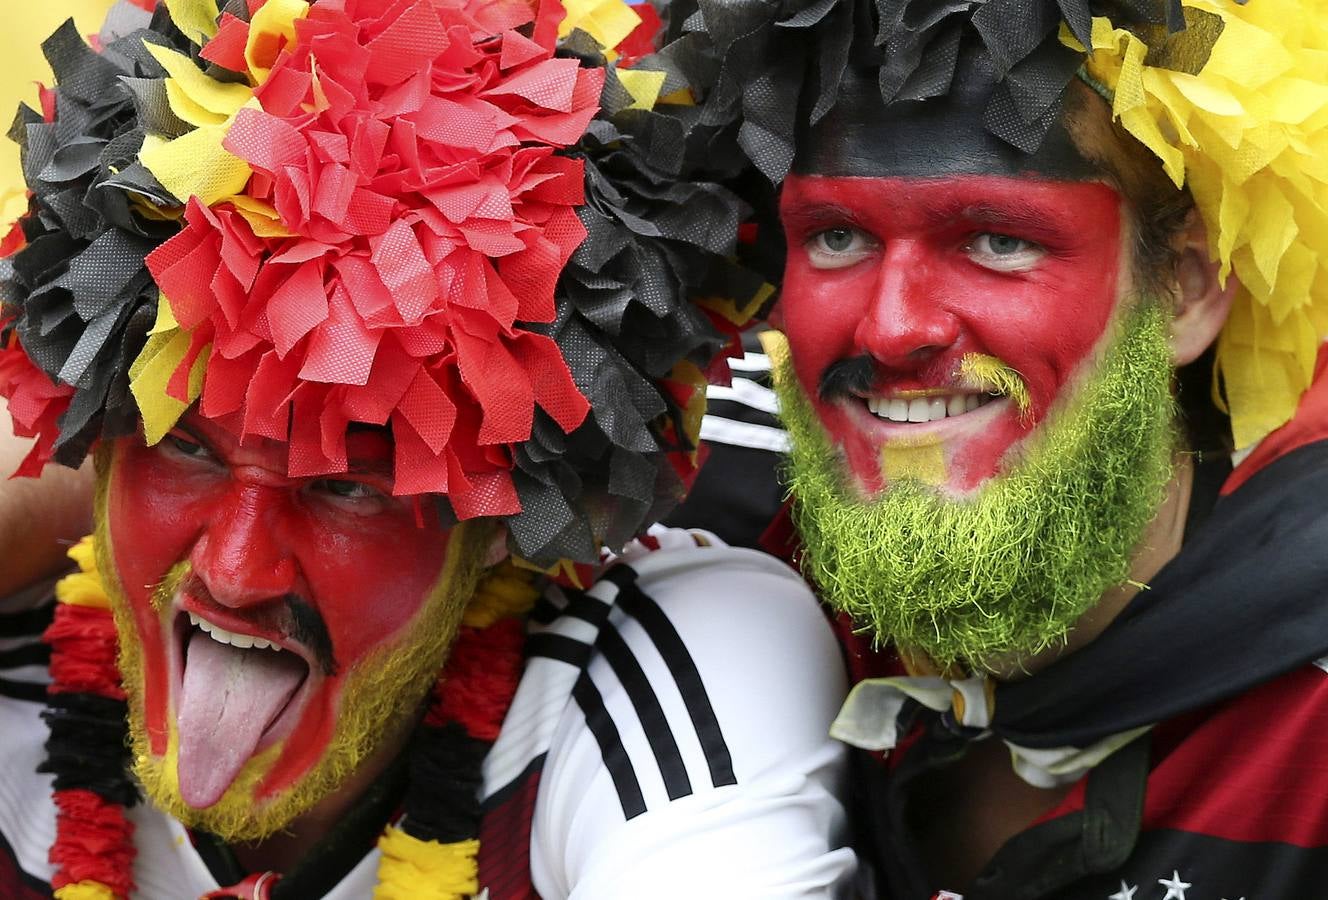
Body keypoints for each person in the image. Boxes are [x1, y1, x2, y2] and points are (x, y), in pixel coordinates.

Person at [0, 1, 858, 897]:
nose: (235, 571)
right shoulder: (19, 662)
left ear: (505, 520)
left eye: (348, 488)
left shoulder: (674, 662)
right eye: (189, 451)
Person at [661, 0, 1328, 896]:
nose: (892, 328)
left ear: (1184, 290)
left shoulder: (1307, 730)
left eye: (999, 239)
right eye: (837, 235)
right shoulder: (726, 551)